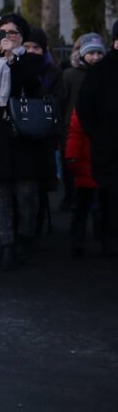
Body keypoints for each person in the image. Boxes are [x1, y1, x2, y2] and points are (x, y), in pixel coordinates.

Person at [0, 14, 58, 270]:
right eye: (2, 32)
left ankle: (25, 236)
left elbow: (32, 85)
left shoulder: (30, 60)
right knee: (0, 191)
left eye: (13, 33)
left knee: (27, 192)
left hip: (24, 131)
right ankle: (6, 244)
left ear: (22, 37)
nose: (7, 37)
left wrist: (12, 59)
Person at [74, 22, 118, 258]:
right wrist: (98, 134)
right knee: (109, 196)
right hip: (109, 145)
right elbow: (84, 107)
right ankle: (108, 239)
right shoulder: (102, 70)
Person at [61, 33, 106, 256]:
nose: (96, 57)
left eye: (99, 53)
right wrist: (71, 156)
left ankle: (103, 234)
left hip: (101, 152)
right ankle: (78, 235)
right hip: (84, 152)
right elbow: (75, 128)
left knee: (102, 200)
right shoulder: (72, 77)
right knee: (83, 200)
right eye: (92, 53)